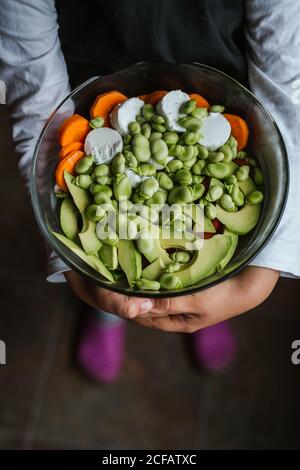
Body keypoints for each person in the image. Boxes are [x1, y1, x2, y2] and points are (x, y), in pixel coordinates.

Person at [1, 0, 299, 382]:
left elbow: (289, 74)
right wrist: (72, 268)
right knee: (114, 267)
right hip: (90, 104)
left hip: (226, 101)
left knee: (204, 266)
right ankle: (107, 313)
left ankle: (207, 284)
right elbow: (32, 81)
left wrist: (261, 275)